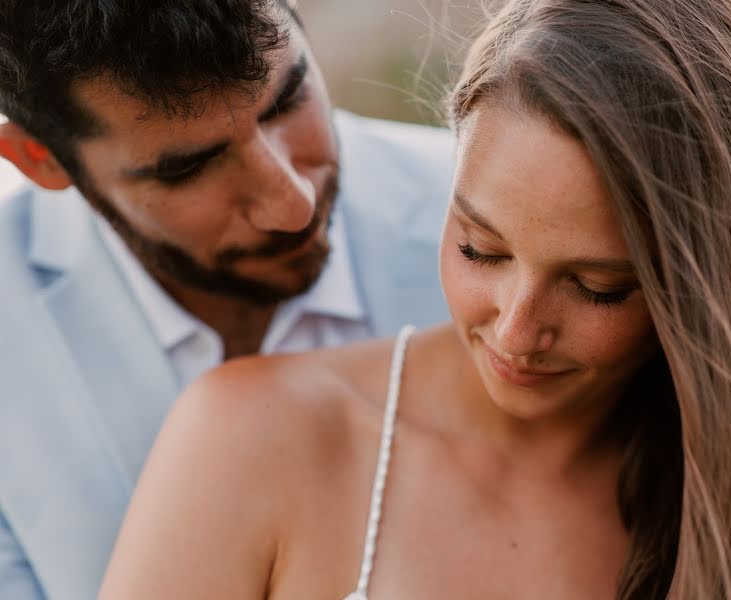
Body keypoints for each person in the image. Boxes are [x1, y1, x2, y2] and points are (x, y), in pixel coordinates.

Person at [99, 0, 731, 598]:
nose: (516, 330)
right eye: (480, 248)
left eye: (597, 287)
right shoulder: (252, 438)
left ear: (697, 290)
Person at [0, 2, 454, 598]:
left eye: (289, 100)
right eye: (189, 167)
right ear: (41, 159)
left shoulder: (502, 227)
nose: (293, 205)